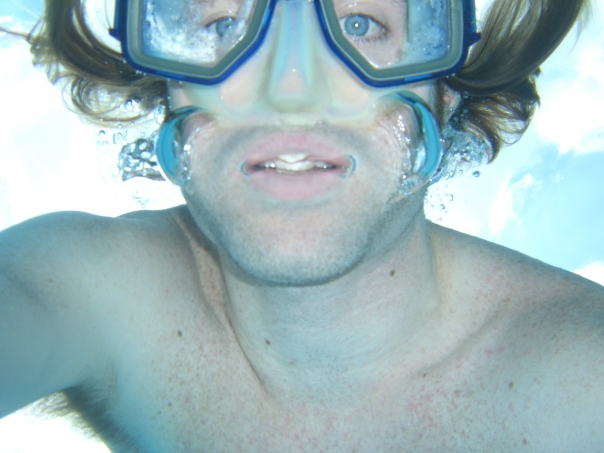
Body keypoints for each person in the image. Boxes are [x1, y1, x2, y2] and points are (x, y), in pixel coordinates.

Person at [1, 0, 603, 451]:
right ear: (169, 90)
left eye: (361, 23)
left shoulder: (582, 382)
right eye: (222, 24)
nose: (289, 91)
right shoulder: (87, 290)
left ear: (444, 96)